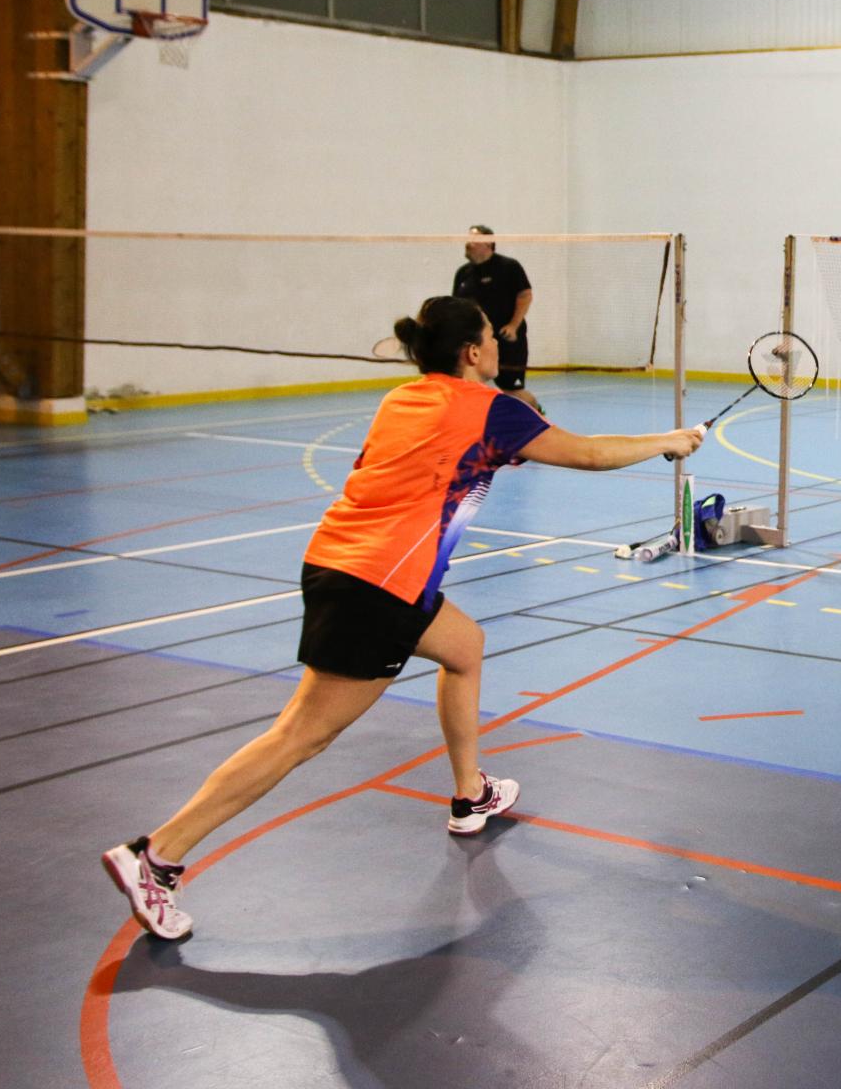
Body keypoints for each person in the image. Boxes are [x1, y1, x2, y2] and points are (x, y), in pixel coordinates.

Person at [102, 296, 703, 940]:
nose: (498, 344)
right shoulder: (490, 409)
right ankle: (157, 855)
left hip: (343, 564)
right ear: (472, 352)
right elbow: (586, 454)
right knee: (300, 735)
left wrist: (511, 438)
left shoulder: (404, 399)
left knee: (464, 647)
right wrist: (669, 441)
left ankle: (470, 793)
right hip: (379, 586)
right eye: (490, 337)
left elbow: (433, 459)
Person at [453, 225, 540, 412]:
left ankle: (539, 418)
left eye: (474, 240)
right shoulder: (463, 273)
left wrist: (513, 326)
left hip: (506, 341)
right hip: (475, 344)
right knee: (468, 388)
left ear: (488, 244)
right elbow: (457, 308)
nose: (468, 243)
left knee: (513, 391)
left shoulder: (509, 267)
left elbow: (525, 295)